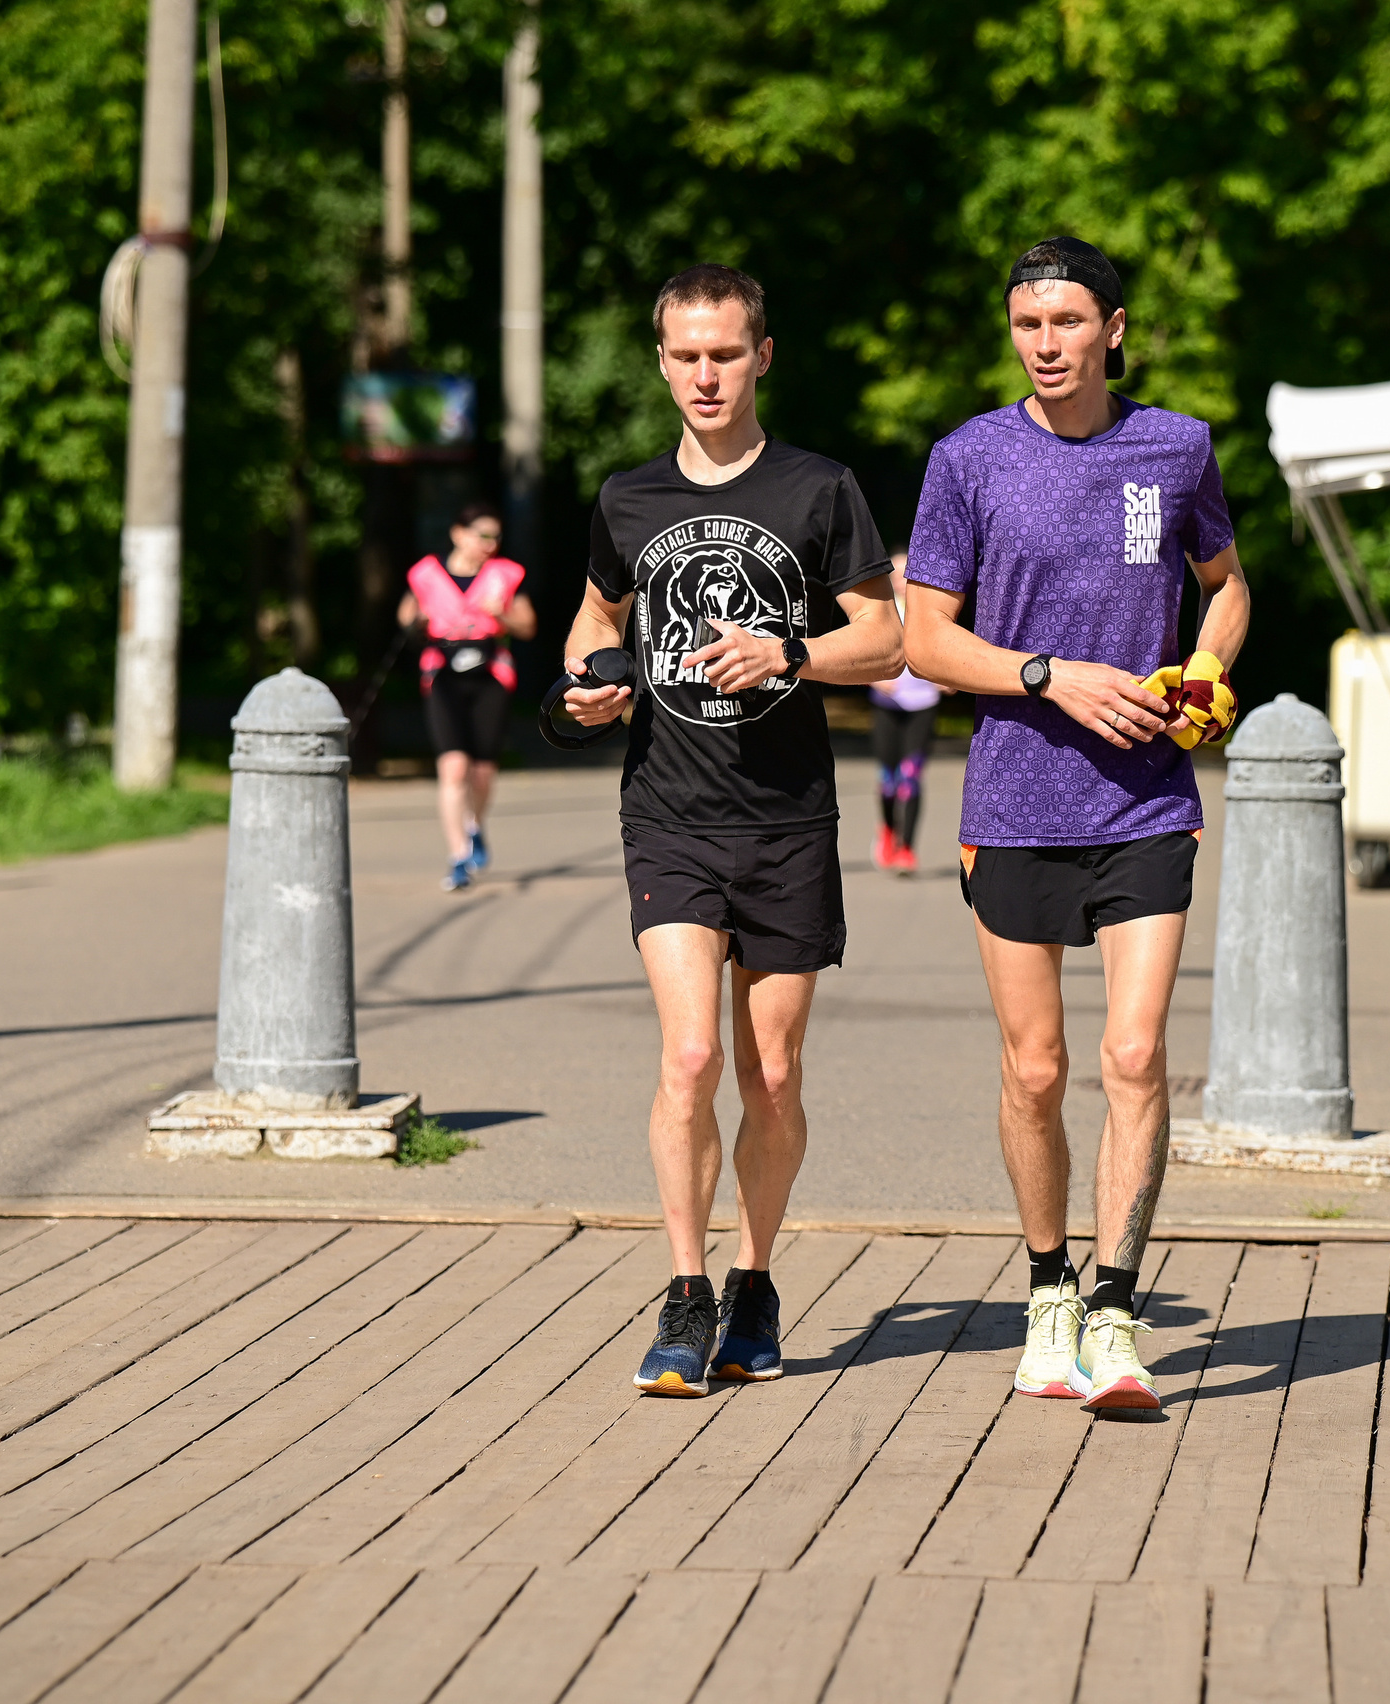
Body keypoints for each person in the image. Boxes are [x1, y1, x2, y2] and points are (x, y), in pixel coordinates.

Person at [902, 237, 1250, 1414]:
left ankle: (1113, 1308)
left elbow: (1229, 582)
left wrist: (1204, 668)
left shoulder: (1177, 445)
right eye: (1024, 326)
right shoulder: (968, 460)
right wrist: (1050, 676)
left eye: (1064, 323)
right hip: (1013, 800)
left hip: (1146, 797)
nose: (1044, 345)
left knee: (1136, 1055)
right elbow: (925, 640)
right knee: (1038, 1069)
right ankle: (1046, 1287)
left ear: (1112, 327)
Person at [558, 263, 903, 1396]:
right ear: (659, 361)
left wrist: (788, 652)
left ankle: (755, 1280)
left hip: (789, 818)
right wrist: (585, 683)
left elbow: (888, 638)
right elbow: (598, 613)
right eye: (684, 355)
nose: (704, 375)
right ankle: (686, 1291)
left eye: (724, 353)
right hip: (667, 812)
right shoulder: (627, 498)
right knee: (690, 1055)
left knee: (770, 1072)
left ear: (762, 355)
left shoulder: (819, 489)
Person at [397, 501, 539, 891]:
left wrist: (502, 615)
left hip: (490, 674)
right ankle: (458, 856)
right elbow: (406, 614)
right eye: (483, 535)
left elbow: (527, 625)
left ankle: (475, 825)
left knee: (482, 771)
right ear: (458, 534)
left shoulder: (506, 575)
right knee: (454, 767)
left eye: (496, 536)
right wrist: (418, 621)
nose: (490, 544)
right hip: (442, 673)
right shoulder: (426, 573)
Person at [867, 549, 944, 875]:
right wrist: (874, 679)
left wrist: (948, 676)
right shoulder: (881, 612)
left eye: (906, 572)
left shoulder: (927, 611)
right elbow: (863, 650)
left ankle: (907, 849)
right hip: (888, 707)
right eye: (895, 572)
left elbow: (945, 647)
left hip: (923, 704)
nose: (901, 578)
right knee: (888, 781)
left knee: (910, 778)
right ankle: (887, 829)